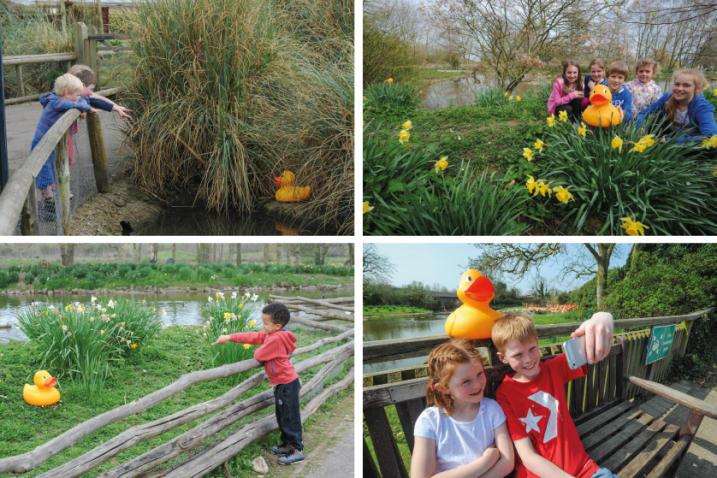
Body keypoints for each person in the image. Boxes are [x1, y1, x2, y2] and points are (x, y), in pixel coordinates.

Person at [493, 312, 619, 478]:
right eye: (518, 355)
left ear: (538, 343)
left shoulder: (554, 369)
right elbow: (528, 456)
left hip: (585, 470)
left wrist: (602, 318)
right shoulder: (505, 394)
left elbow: (596, 333)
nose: (528, 359)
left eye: (532, 349)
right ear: (503, 358)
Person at [212, 303, 305, 466]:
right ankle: (287, 445)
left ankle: (297, 450)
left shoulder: (275, 339)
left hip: (286, 384)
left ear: (277, 326)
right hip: (283, 383)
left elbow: (259, 354)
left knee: (290, 418)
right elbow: (254, 337)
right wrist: (230, 337)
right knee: (282, 416)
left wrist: (263, 343)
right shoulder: (276, 333)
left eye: (266, 323)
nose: (263, 326)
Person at [410, 339, 514, 478]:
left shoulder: (492, 410)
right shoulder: (430, 421)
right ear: (444, 388)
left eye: (479, 374)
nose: (477, 384)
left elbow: (507, 463)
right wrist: (484, 463)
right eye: (466, 381)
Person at [31, 73, 97, 221]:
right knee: (44, 174)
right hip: (42, 145)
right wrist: (85, 106)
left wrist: (82, 104)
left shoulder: (57, 99)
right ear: (67, 93)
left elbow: (73, 102)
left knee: (51, 171)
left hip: (51, 143)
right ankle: (42, 205)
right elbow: (73, 104)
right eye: (77, 94)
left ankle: (46, 203)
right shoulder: (57, 102)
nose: (79, 97)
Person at [67, 65, 131, 169]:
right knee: (66, 162)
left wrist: (117, 107)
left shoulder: (81, 95)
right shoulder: (73, 97)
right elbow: (83, 114)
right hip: (63, 134)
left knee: (69, 161)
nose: (91, 93)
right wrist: (85, 109)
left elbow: (98, 99)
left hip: (67, 133)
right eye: (90, 89)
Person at [636, 69, 717, 148]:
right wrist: (641, 128)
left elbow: (711, 137)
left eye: (686, 85)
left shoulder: (702, 108)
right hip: (671, 133)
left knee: (711, 147)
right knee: (653, 119)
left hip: (690, 141)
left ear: (698, 88)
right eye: (677, 84)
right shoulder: (667, 97)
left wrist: (668, 140)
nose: (679, 88)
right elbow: (643, 113)